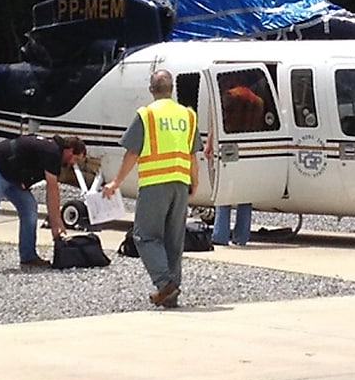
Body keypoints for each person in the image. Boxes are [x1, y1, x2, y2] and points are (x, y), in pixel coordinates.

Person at [102, 70, 200, 307]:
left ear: (151, 90)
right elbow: (192, 154)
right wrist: (194, 181)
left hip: (155, 183)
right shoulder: (188, 115)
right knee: (174, 240)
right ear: (172, 89)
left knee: (145, 236)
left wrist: (115, 182)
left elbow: (132, 152)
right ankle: (171, 293)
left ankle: (164, 282)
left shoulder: (146, 115)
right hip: (179, 183)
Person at [0, 134, 86, 274]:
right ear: (69, 150)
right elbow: (52, 190)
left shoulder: (52, 150)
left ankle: (28, 256)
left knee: (29, 209)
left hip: (13, 176)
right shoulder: (52, 152)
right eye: (75, 159)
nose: (73, 163)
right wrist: (56, 222)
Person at [211, 76, 264, 246]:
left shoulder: (230, 96)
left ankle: (220, 234)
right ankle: (241, 236)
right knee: (245, 194)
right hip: (250, 147)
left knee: (224, 193)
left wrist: (210, 143)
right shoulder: (258, 101)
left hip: (229, 147)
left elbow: (221, 121)